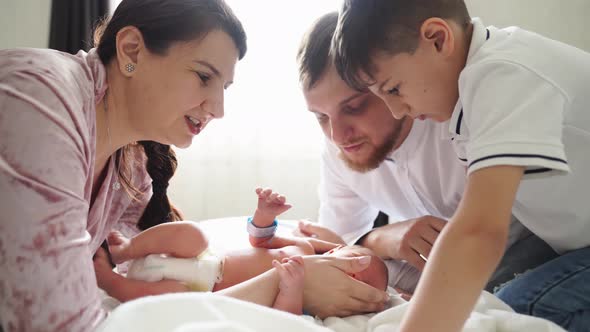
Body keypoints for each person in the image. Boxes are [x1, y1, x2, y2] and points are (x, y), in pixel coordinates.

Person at [0, 1, 388, 331]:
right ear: (132, 50)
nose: (219, 109)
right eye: (204, 77)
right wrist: (281, 283)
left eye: (225, 89)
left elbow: (147, 295)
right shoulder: (40, 98)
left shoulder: (130, 169)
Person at [331, 0, 590, 331]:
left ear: (438, 38)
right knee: (484, 306)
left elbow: (479, 231)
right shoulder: (472, 93)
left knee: (514, 312)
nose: (397, 111)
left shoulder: (505, 73)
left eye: (394, 89)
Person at [294, 11, 557, 301]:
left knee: (511, 304)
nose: (338, 136)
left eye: (354, 107)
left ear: (380, 81)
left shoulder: (462, 110)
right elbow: (339, 246)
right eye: (320, 117)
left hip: (539, 248)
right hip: (462, 258)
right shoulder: (339, 148)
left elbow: (482, 235)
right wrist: (383, 238)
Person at [98, 188, 389, 316]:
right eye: (354, 262)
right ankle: (126, 249)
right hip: (203, 259)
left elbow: (283, 317)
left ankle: (112, 283)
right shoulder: (302, 246)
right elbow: (259, 241)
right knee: (192, 235)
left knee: (173, 297)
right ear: (338, 249)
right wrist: (264, 215)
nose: (351, 276)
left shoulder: (311, 296)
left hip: (202, 288)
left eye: (359, 286)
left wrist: (291, 288)